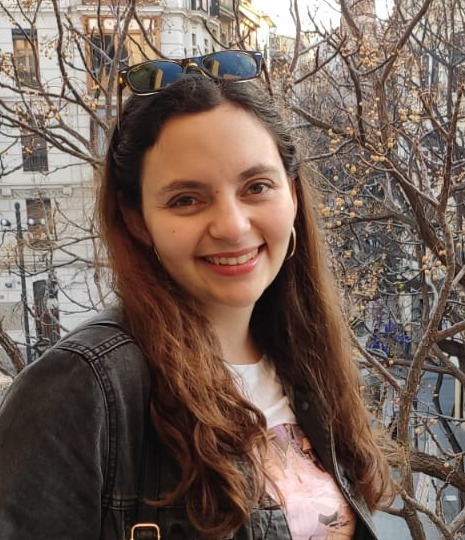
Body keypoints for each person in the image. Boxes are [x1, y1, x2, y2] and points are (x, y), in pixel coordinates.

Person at [0, 51, 393, 540]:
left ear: (292, 195)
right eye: (186, 199)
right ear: (137, 220)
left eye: (256, 187)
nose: (232, 226)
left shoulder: (304, 357)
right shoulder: (82, 388)